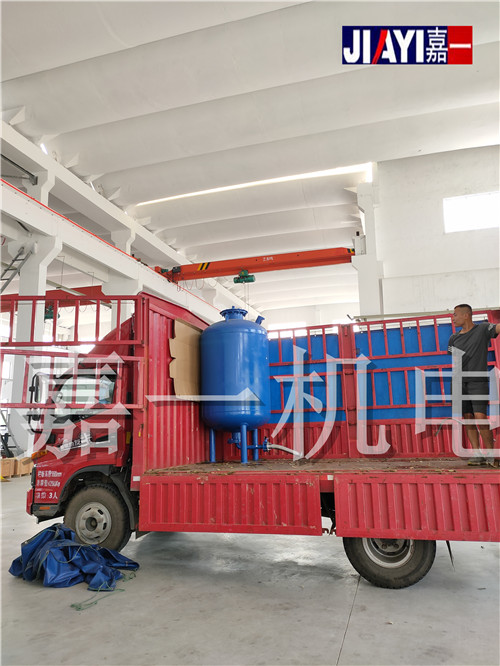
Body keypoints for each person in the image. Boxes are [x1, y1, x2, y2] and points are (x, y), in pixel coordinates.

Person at [448, 304, 500, 467]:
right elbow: (456, 360)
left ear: (466, 315)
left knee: (480, 417)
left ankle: (491, 455)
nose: (453, 318)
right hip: (459, 383)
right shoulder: (453, 338)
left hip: (478, 382)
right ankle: (477, 454)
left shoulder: (483, 329)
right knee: (468, 418)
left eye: (455, 315)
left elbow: (498, 328)